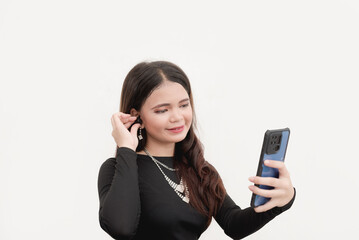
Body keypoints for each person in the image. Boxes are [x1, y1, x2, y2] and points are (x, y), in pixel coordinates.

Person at [97, 61, 296, 240]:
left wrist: (282, 201)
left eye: (184, 105)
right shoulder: (117, 169)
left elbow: (234, 224)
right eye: (162, 110)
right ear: (136, 115)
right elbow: (121, 227)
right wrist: (126, 147)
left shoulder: (199, 169)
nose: (177, 117)